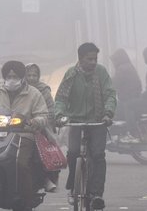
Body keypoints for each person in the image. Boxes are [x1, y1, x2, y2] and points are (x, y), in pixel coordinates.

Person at [54, 42, 116, 209]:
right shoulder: (71, 74)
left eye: (95, 59)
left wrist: (108, 113)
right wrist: (59, 115)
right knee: (73, 152)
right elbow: (60, 98)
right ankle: (73, 188)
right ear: (80, 59)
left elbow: (110, 94)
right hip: (76, 121)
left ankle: (97, 194)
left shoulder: (101, 72)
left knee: (98, 155)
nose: (93, 62)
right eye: (90, 59)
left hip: (98, 122)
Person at [0, 60, 49, 211]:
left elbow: (44, 115)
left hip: (24, 135)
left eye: (15, 76)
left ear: (22, 77)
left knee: (21, 164)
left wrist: (34, 121)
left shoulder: (34, 93)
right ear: (4, 77)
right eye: (8, 76)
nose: (11, 79)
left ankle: (26, 201)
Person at [25, 63, 59, 192]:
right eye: (29, 75)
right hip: (18, 126)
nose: (32, 78)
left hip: (40, 128)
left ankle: (45, 179)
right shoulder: (18, 89)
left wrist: (40, 122)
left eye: (34, 75)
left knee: (38, 153)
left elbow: (50, 111)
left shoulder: (44, 90)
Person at [110, 48, 142, 120]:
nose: (113, 63)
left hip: (127, 100)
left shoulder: (123, 69)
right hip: (132, 99)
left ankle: (116, 130)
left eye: (114, 60)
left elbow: (114, 83)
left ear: (119, 59)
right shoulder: (128, 66)